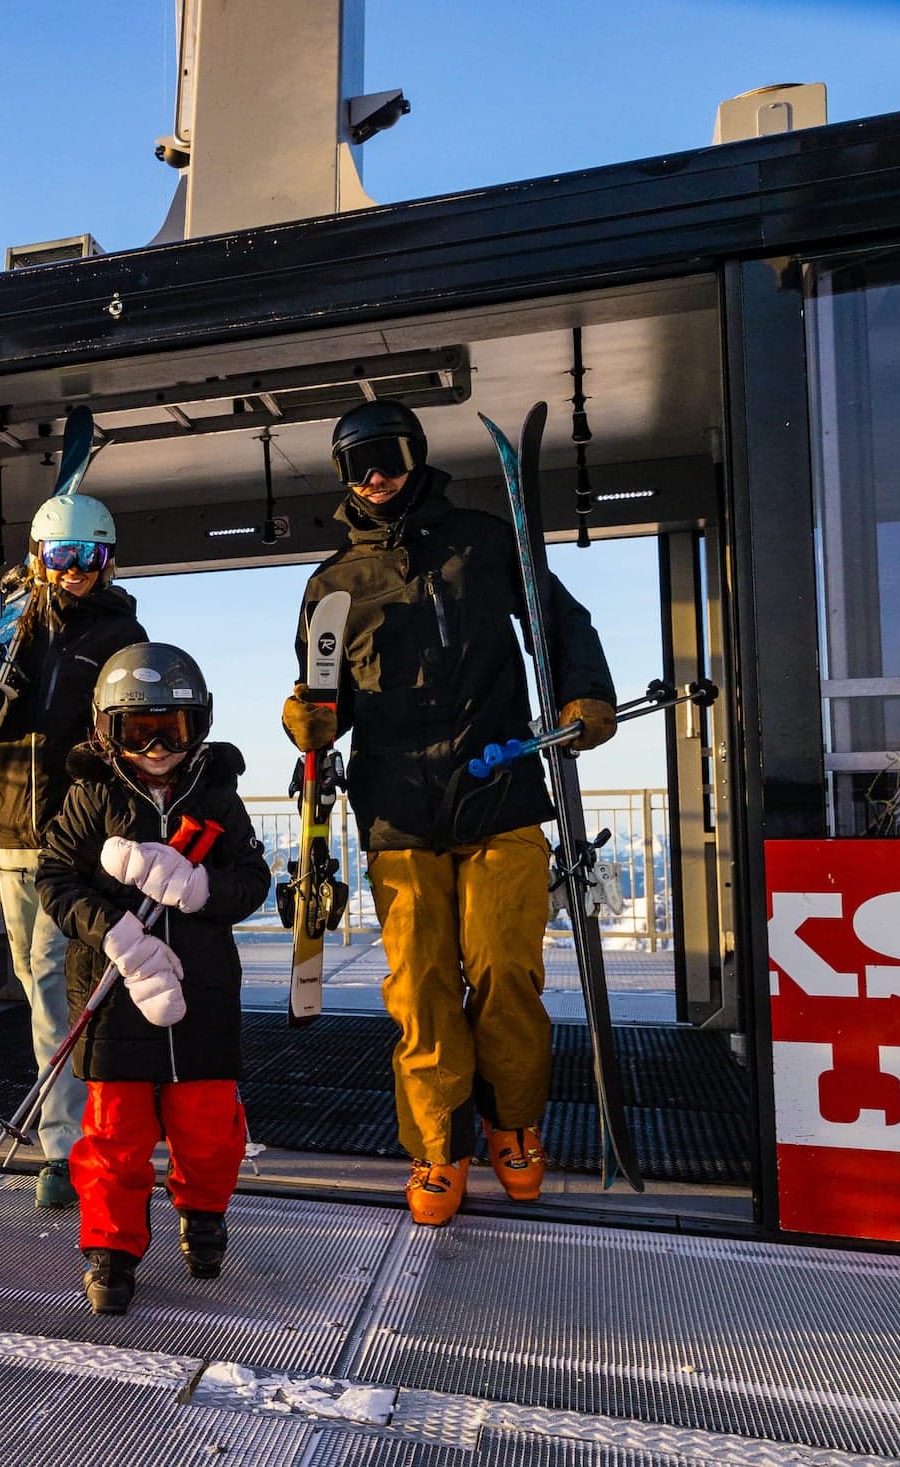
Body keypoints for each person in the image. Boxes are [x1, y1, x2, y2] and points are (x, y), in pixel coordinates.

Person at [283, 400, 616, 1227]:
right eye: (357, 463)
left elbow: (560, 618)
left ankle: (514, 1122)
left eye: (388, 454)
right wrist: (311, 720)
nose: (376, 474)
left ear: (415, 453)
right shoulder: (331, 586)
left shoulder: (482, 540)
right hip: (397, 810)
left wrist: (585, 691)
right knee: (422, 987)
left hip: (498, 791)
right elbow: (326, 698)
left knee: (506, 968)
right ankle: (440, 1144)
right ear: (343, 478)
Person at [37, 643, 270, 1314]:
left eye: (176, 728)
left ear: (200, 726)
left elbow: (252, 879)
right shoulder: (92, 794)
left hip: (202, 996)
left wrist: (201, 888)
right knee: (116, 1133)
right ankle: (110, 1250)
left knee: (208, 1126)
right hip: (115, 997)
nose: (160, 746)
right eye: (139, 731)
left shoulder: (217, 794)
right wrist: (108, 925)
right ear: (108, 731)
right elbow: (54, 877)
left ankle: (202, 1214)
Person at [0, 493, 146, 1209]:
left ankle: (64, 1149)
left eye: (89, 556)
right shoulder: (13, 626)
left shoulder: (121, 634)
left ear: (107, 560)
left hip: (71, 836)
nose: (76, 570)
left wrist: (97, 773)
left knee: (53, 981)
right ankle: (87, 1126)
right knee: (34, 981)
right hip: (9, 831)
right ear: (40, 558)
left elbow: (125, 734)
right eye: (62, 556)